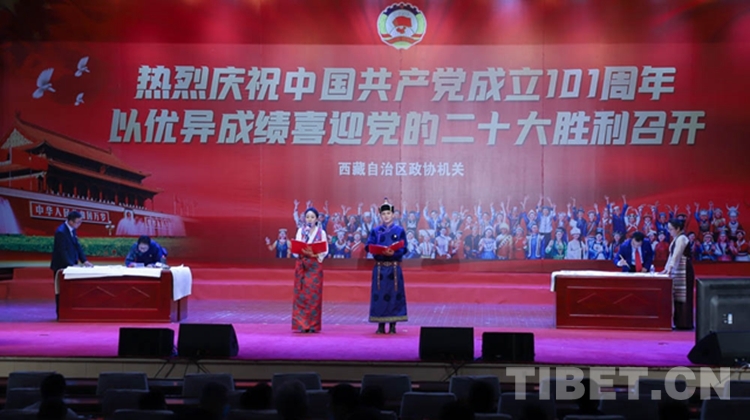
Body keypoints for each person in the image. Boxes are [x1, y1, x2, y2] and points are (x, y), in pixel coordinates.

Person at [365, 199, 408, 334]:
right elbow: (368, 246)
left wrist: (394, 253)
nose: (386, 216)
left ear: (393, 215)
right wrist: (380, 251)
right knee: (379, 295)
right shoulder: (375, 231)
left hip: (394, 268)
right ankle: (381, 325)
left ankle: (393, 325)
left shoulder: (399, 230)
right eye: (383, 214)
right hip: (380, 269)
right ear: (380, 216)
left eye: (388, 213)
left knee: (395, 295)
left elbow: (404, 248)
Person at [50, 211, 93, 319]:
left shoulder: (72, 230)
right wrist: (70, 265)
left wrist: (84, 261)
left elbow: (77, 246)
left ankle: (71, 313)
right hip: (61, 266)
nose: (79, 224)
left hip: (71, 265)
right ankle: (60, 314)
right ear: (70, 221)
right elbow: (62, 251)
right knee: (61, 291)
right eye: (78, 222)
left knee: (71, 291)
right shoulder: (61, 232)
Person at [293, 207, 329, 333]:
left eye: (312, 217)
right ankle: (301, 324)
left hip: (314, 266)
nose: (310, 219)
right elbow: (296, 247)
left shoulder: (321, 232)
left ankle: (313, 325)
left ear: (317, 219)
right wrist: (301, 251)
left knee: (314, 296)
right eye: (307, 217)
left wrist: (315, 254)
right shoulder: (301, 231)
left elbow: (325, 250)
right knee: (301, 295)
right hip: (302, 265)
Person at [661, 218, 694, 330]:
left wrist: (670, 268)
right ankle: (679, 322)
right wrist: (666, 269)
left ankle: (685, 324)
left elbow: (677, 254)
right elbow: (671, 256)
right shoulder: (676, 239)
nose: (669, 231)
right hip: (678, 269)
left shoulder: (682, 238)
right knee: (677, 296)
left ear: (678, 229)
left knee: (684, 297)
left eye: (671, 229)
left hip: (684, 269)